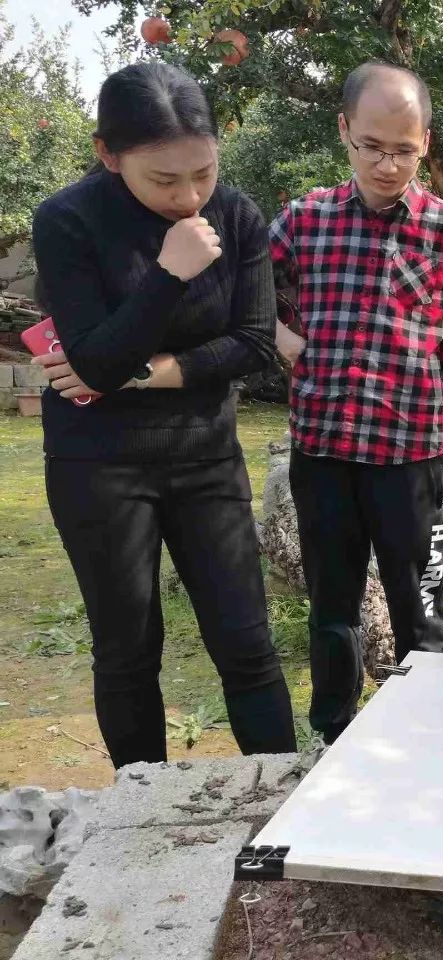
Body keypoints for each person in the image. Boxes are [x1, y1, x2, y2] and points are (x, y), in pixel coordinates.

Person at [29, 63, 296, 768]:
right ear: (108, 156)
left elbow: (255, 344)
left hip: (206, 456)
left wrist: (148, 375)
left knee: (246, 642)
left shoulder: (235, 215)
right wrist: (170, 273)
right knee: (127, 648)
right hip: (99, 466)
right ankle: (136, 817)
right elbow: (94, 359)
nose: (189, 196)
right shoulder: (67, 220)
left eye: (202, 173)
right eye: (164, 180)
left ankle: (282, 807)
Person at [270, 62, 443, 742]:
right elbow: (234, 293)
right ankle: (333, 735)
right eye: (372, 146)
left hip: (409, 456)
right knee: (332, 609)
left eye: (405, 150)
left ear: (426, 142)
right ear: (344, 132)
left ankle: (429, 737)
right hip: (323, 452)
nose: (387, 164)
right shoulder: (304, 221)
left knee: (419, 604)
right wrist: (286, 341)